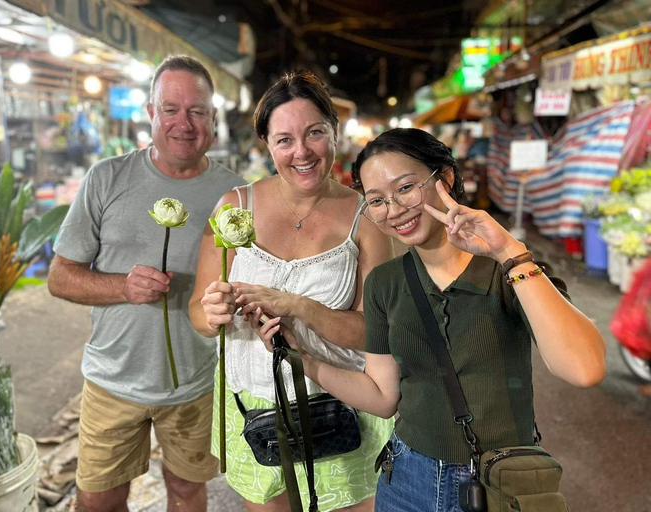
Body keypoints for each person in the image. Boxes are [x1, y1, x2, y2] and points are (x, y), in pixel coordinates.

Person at [256, 128, 606, 511]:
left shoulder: (508, 270)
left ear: (446, 177)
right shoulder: (385, 283)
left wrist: (508, 251)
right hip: (406, 479)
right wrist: (301, 359)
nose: (394, 210)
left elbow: (584, 368)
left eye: (406, 188)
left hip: (497, 480)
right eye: (377, 201)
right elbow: (382, 396)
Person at [189, 70, 396, 512]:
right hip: (253, 408)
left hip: (342, 407)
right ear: (266, 143)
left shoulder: (365, 217)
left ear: (334, 132)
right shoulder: (233, 208)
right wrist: (212, 314)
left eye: (314, 133)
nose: (301, 152)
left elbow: (374, 332)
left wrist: (299, 307)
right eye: (284, 139)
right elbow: (198, 314)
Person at [48, 55, 246, 512]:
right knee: (97, 501)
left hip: (197, 382)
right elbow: (60, 277)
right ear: (151, 113)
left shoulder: (236, 194)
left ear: (213, 118)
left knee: (187, 491)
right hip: (113, 380)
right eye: (171, 109)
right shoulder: (107, 178)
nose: (184, 123)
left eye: (197, 111)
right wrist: (123, 287)